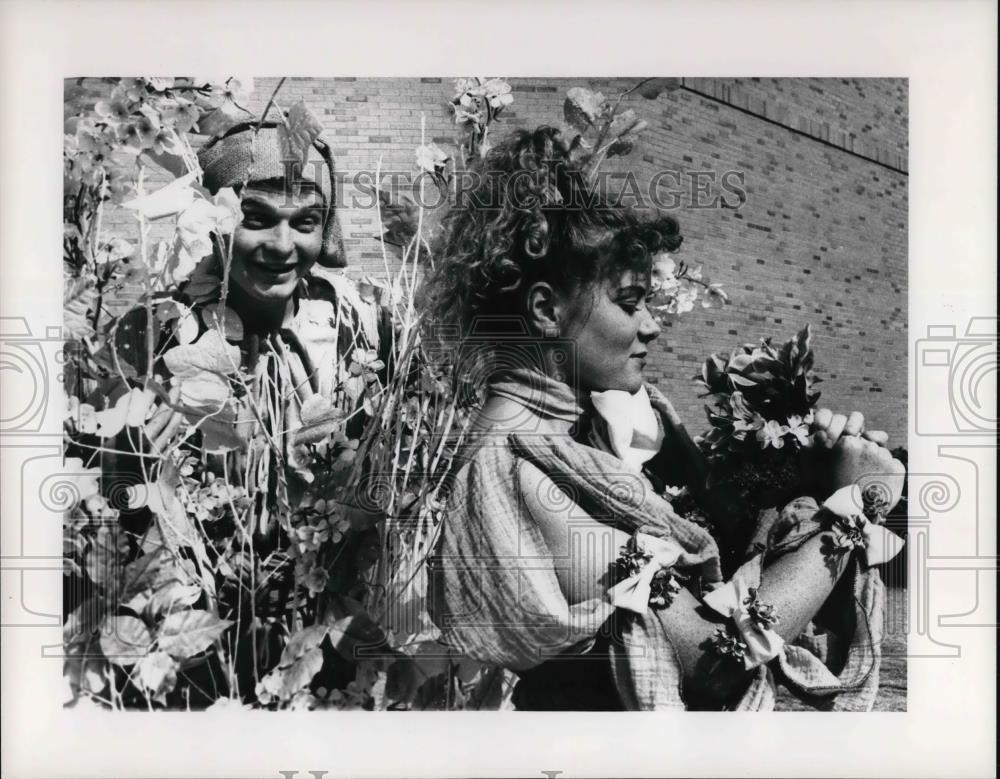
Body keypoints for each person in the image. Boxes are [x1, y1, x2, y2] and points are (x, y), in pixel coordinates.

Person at [423, 126, 906, 711]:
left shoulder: (570, 436)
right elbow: (719, 659)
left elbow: (715, 581)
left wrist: (807, 481)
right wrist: (852, 506)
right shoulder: (522, 471)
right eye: (630, 304)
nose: (652, 326)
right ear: (547, 310)